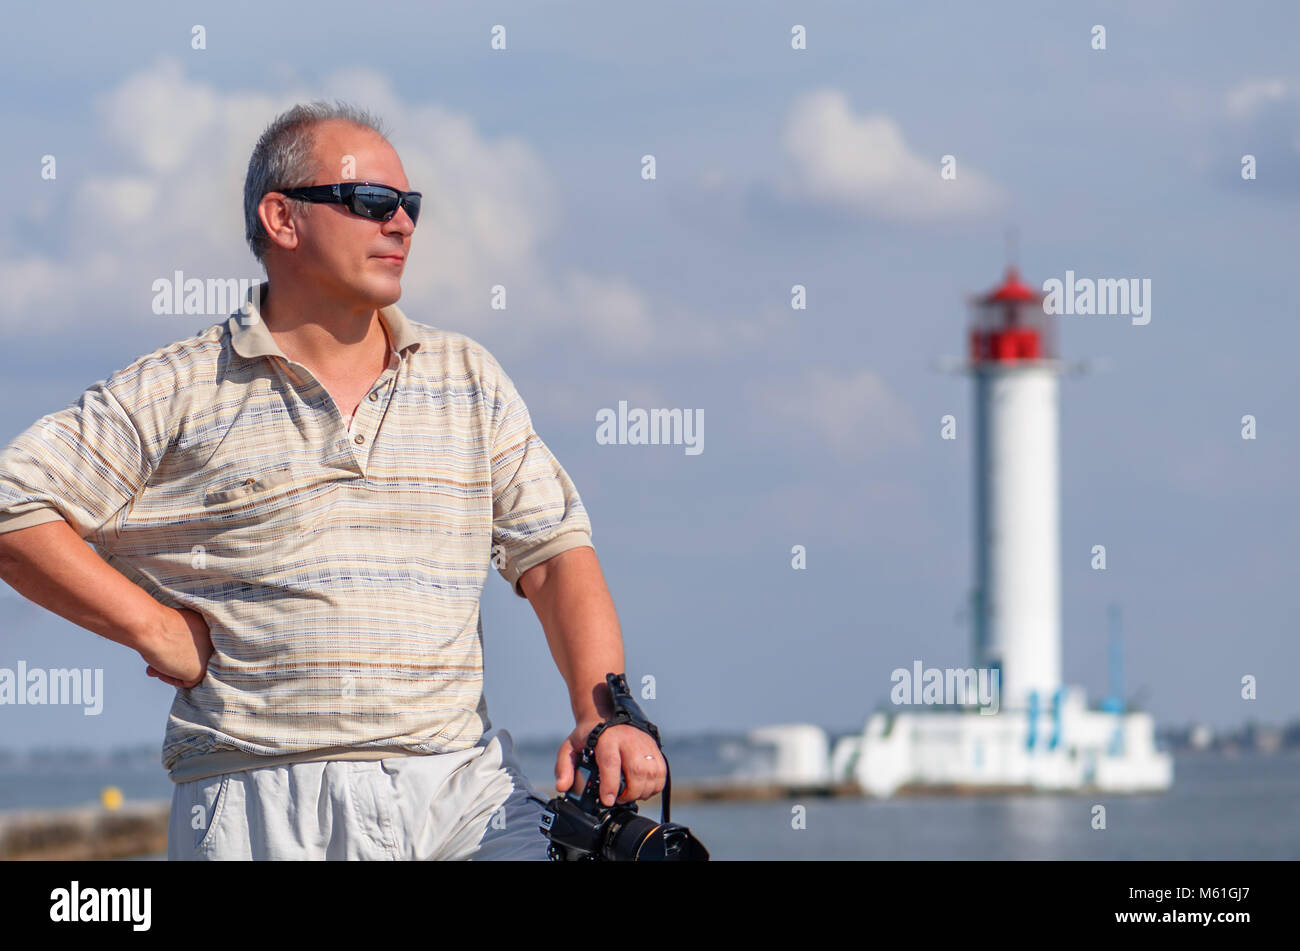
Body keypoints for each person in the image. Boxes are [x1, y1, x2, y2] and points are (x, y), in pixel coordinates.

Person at [0, 101, 665, 859]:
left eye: (409, 206)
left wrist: (603, 713)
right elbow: (13, 506)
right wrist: (153, 628)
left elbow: (551, 555)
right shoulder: (176, 389)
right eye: (373, 202)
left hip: (461, 792)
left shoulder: (468, 376)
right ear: (281, 218)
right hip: (260, 797)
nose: (403, 225)